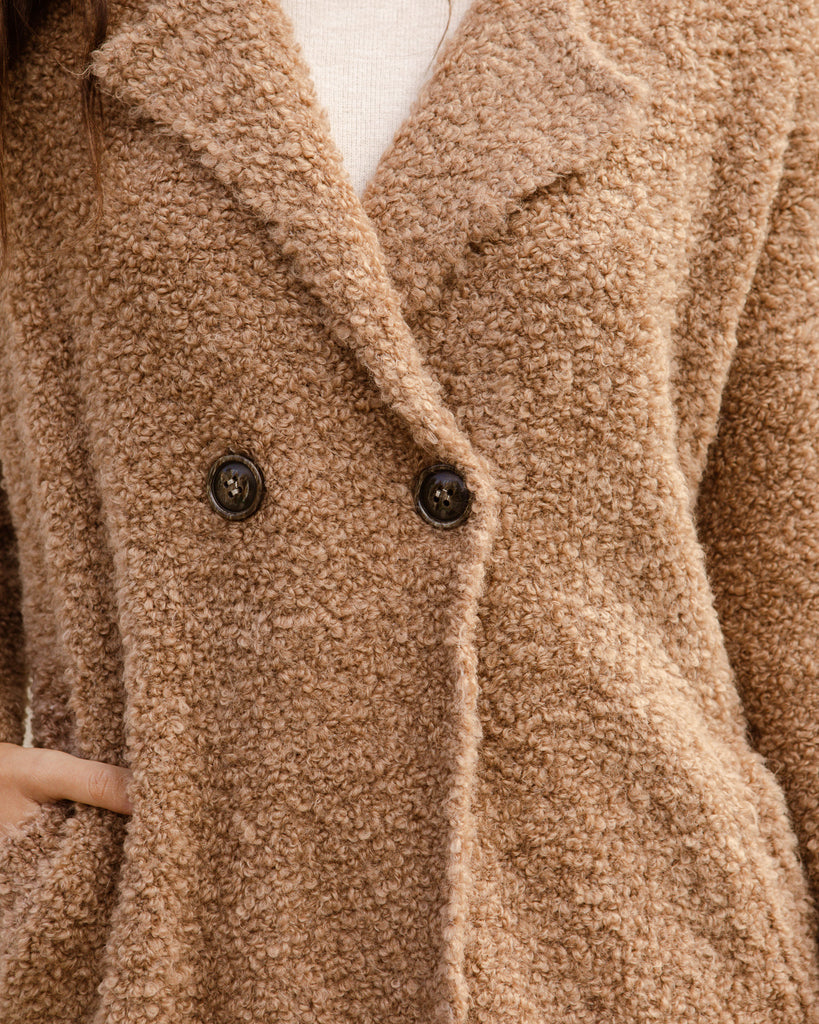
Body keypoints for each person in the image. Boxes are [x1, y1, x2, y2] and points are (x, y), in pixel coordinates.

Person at [0, 0, 818, 1021]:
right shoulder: (47, 30)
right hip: (180, 932)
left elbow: (791, 574)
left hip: (617, 941)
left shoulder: (738, 23)